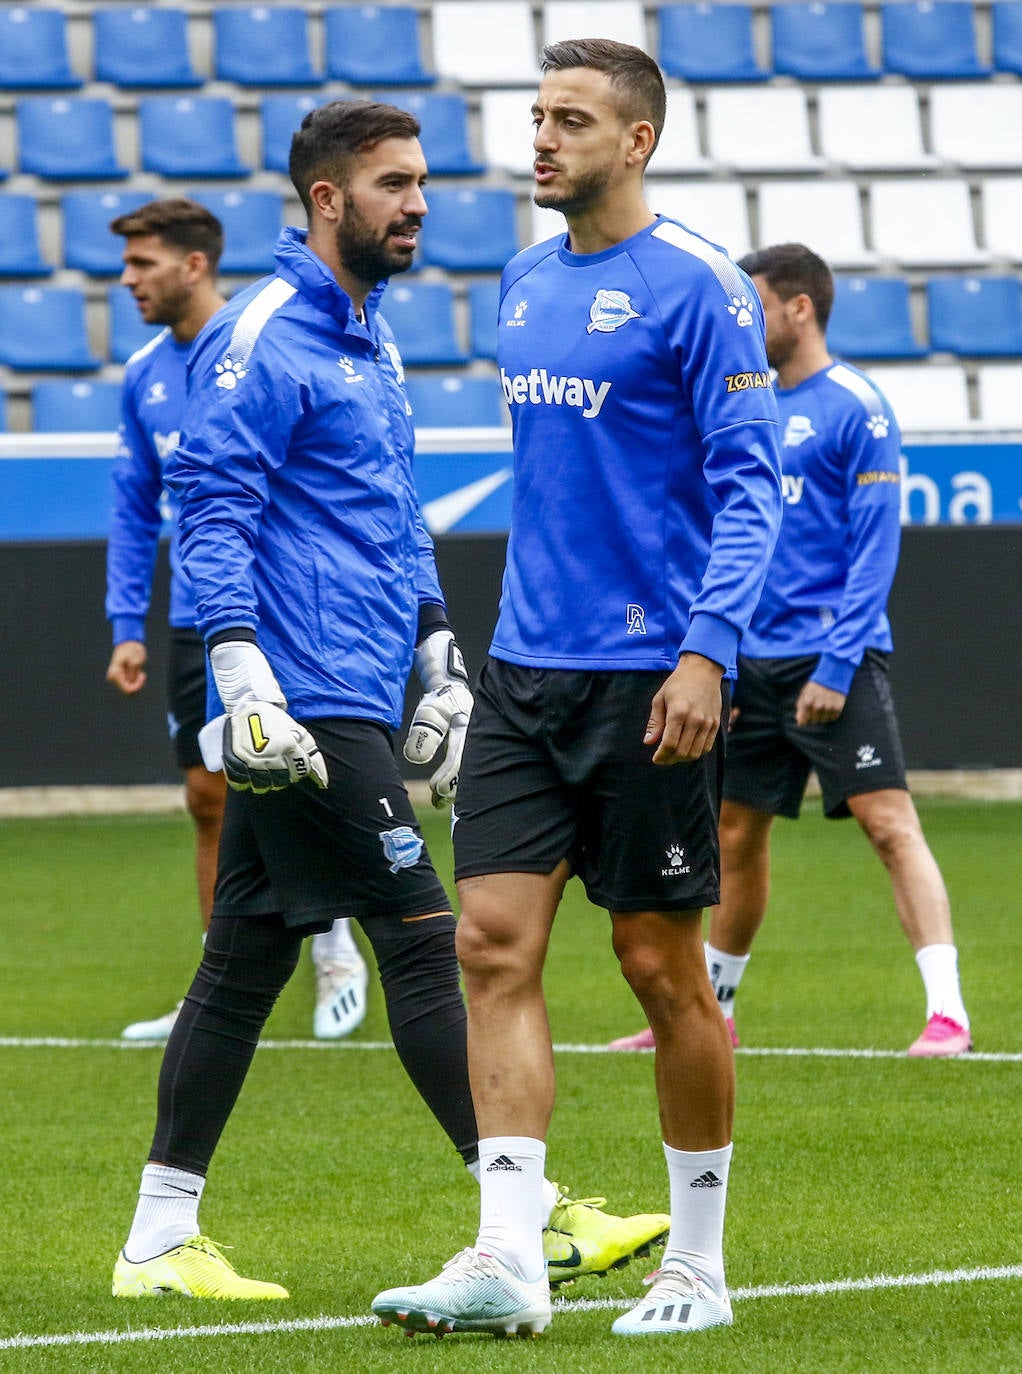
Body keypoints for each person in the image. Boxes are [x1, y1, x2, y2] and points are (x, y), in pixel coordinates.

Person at [111, 99, 670, 1303]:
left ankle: (159, 1237)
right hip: (301, 694)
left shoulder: (369, 337)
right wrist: (240, 667)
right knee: (430, 938)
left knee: (242, 962)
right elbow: (210, 506)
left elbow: (391, 514)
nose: (417, 204)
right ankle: (526, 1214)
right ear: (327, 200)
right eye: (392, 186)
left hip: (359, 679)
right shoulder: (265, 334)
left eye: (419, 184)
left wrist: (436, 652)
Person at [372, 42, 782, 1340]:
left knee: (659, 967)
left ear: (639, 140)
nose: (540, 139)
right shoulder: (522, 276)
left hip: (647, 678)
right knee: (485, 943)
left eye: (570, 120)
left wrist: (708, 651)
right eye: (534, 115)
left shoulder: (700, 290)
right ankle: (508, 1256)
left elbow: (750, 487)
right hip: (523, 672)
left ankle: (697, 1265)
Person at [609, 243, 972, 1060]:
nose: (746, 321)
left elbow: (874, 551)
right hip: (753, 665)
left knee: (889, 826)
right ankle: (719, 1006)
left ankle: (948, 1013)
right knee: (735, 835)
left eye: (758, 306)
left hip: (833, 660)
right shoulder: (748, 404)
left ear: (799, 308)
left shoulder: (856, 406)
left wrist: (837, 667)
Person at [106, 198, 369, 1045]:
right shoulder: (142, 372)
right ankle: (215, 982)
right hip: (195, 619)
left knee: (301, 783)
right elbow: (134, 507)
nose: (127, 280)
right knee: (207, 796)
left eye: (142, 264)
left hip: (279, 611)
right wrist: (125, 623)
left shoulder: (261, 345)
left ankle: (335, 948)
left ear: (193, 265)